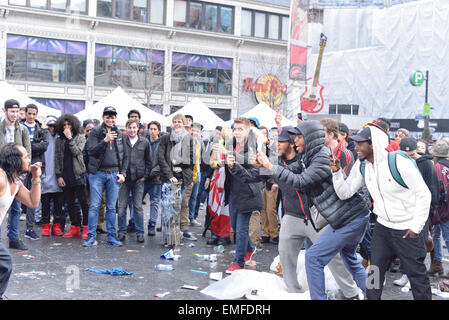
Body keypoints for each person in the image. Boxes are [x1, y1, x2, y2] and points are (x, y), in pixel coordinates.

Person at [257, 120, 369, 300]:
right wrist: (259, 167)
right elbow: (287, 171)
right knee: (349, 260)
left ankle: (349, 294)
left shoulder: (322, 157)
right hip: (340, 216)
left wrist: (271, 167)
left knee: (315, 258)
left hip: (347, 217)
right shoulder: (307, 157)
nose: (295, 141)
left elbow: (301, 181)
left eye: (299, 137)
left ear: (309, 138)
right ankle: (366, 295)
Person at [331, 124, 432, 300]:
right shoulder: (362, 165)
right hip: (383, 228)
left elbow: (424, 194)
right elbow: (345, 192)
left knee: (417, 276)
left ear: (372, 144)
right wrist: (336, 172)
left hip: (408, 228)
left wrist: (416, 227)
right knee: (375, 275)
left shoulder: (398, 162)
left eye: (360, 143)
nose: (356, 147)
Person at [391, 137, 439, 287]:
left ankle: (415, 278)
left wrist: (428, 214)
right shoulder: (398, 162)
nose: (410, 158)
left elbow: (432, 190)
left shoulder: (426, 165)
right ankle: (406, 274)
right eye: (407, 155)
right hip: (404, 211)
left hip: (421, 212)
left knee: (419, 246)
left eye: (412, 155)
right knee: (404, 244)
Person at [0, 143, 41, 300]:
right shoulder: (1, 179)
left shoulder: (16, 183)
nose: (29, 160)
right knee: (5, 263)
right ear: (15, 160)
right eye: (25, 157)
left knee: (4, 264)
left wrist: (36, 177)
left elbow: (33, 202)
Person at [83, 106, 128, 247]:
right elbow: (91, 151)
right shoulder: (96, 132)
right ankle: (91, 236)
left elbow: (125, 156)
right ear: (103, 117)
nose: (110, 119)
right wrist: (105, 140)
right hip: (97, 174)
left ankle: (111, 236)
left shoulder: (120, 134)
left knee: (111, 208)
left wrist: (123, 173)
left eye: (113, 117)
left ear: (116, 118)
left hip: (114, 174)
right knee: (94, 206)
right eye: (108, 117)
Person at [224, 117, 264, 273]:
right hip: (234, 192)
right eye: (235, 129)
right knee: (234, 226)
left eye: (240, 129)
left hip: (249, 192)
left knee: (240, 229)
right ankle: (250, 248)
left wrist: (233, 163)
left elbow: (252, 167)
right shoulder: (231, 144)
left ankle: (238, 262)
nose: (237, 132)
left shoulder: (255, 146)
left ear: (248, 130)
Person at [158, 114, 195, 241]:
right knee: (168, 207)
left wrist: (178, 161)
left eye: (179, 121)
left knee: (179, 206)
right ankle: (168, 235)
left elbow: (191, 160)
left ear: (184, 123)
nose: (177, 124)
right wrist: (169, 176)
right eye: (175, 121)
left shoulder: (189, 139)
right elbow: (161, 158)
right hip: (169, 178)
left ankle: (176, 234)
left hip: (183, 178)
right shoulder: (165, 138)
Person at [0, 99, 31, 251]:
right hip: (1, 170)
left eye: (17, 112)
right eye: (11, 111)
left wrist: (24, 171)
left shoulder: (22, 130)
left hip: (16, 172)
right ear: (4, 111)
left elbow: (27, 150)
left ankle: (13, 237)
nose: (14, 114)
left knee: (16, 207)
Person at [55, 114, 89, 240]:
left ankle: (86, 227)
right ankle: (74, 227)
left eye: (69, 125)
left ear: (74, 125)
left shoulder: (80, 138)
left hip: (78, 174)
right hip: (65, 175)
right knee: (70, 203)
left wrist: (70, 138)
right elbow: (57, 158)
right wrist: (59, 176)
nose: (67, 127)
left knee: (83, 203)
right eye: (64, 125)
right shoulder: (59, 140)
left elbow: (77, 152)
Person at [117, 119, 151, 243]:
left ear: (138, 128)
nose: (132, 130)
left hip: (138, 180)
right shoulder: (121, 141)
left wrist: (145, 176)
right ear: (126, 128)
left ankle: (140, 233)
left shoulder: (144, 142)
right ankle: (121, 232)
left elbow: (149, 161)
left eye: (134, 127)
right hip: (124, 180)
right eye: (130, 127)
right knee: (122, 207)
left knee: (137, 207)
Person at [21, 104, 49, 240]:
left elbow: (45, 146)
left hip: (36, 166)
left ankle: (29, 228)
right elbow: (16, 145)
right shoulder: (19, 127)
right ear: (25, 113)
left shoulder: (42, 129)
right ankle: (11, 228)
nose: (31, 116)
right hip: (20, 165)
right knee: (15, 198)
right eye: (29, 113)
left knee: (33, 198)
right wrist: (35, 145)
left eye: (34, 114)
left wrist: (27, 146)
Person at [427, 139, 449, 279]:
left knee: (445, 237)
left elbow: (437, 191)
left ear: (435, 156)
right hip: (445, 209)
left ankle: (437, 263)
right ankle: (437, 264)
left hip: (442, 210)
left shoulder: (436, 168)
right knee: (438, 236)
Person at [41, 116, 64, 237]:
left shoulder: (61, 138)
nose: (52, 129)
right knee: (45, 203)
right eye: (50, 126)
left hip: (58, 176)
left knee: (58, 204)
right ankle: (45, 226)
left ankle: (56, 226)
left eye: (54, 126)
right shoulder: (42, 137)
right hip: (45, 174)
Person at [82, 119, 107, 235]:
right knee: (89, 202)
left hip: (101, 174)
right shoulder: (84, 142)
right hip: (89, 175)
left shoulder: (101, 139)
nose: (90, 131)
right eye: (88, 129)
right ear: (84, 130)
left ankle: (99, 225)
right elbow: (84, 159)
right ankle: (88, 225)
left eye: (92, 129)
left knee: (102, 202)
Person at [143, 121, 162, 236]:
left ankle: (152, 224)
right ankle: (134, 222)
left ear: (158, 131)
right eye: (151, 129)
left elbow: (163, 161)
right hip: (142, 177)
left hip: (156, 178)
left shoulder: (163, 144)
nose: (153, 131)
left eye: (155, 129)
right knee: (137, 201)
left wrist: (151, 173)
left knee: (154, 202)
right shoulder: (143, 141)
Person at [188, 122, 206, 227]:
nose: (195, 132)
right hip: (187, 172)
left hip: (197, 172)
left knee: (194, 196)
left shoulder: (199, 142)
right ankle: (185, 218)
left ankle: (192, 217)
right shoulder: (185, 140)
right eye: (193, 130)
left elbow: (204, 155)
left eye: (197, 131)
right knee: (185, 197)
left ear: (200, 133)